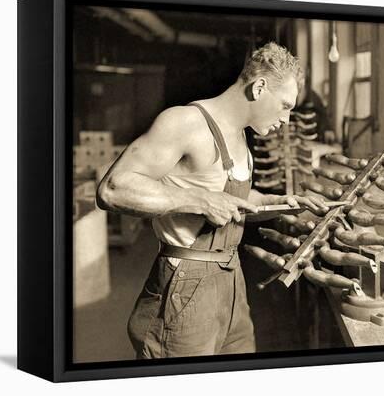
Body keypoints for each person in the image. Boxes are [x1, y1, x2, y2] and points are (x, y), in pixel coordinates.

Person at [97, 42, 329, 359]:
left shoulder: (240, 135)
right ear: (259, 87)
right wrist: (201, 200)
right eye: (285, 105)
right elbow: (113, 188)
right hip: (186, 286)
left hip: (231, 278)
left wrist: (283, 201)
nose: (287, 119)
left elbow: (235, 200)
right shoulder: (185, 122)